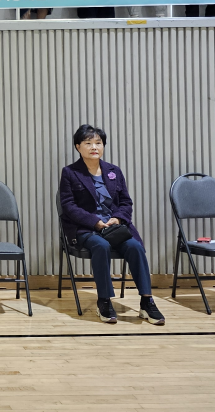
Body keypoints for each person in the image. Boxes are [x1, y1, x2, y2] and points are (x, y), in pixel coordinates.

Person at [59, 124, 165, 326]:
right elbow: (68, 206)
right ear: (78, 147)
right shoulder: (70, 172)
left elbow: (126, 202)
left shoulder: (113, 171)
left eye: (98, 143)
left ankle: (147, 301)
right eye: (88, 143)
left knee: (134, 247)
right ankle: (104, 301)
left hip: (115, 227)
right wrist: (95, 222)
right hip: (86, 228)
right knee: (101, 246)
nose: (94, 147)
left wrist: (117, 218)